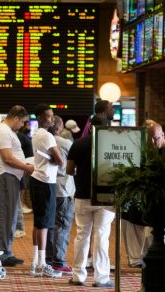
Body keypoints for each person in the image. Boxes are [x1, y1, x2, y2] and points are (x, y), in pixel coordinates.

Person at [67, 115, 115, 288]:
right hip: (105, 197)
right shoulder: (110, 145)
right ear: (106, 127)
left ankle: (78, 275)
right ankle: (101, 278)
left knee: (81, 235)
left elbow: (69, 170)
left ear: (90, 125)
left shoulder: (78, 144)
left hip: (82, 195)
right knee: (101, 235)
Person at [0, 105, 33, 266]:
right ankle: (0, 254)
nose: (22, 125)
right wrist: (27, 167)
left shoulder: (8, 131)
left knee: (10, 216)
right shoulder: (3, 131)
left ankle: (5, 251)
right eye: (22, 122)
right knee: (3, 215)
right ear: (15, 118)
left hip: (11, 177)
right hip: (4, 177)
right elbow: (7, 158)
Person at [121, 122, 163, 269]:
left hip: (157, 197)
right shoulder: (137, 150)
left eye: (156, 138)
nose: (153, 142)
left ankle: (148, 257)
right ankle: (135, 258)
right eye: (149, 138)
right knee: (132, 223)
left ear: (163, 136)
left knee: (151, 231)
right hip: (137, 196)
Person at [30, 103, 63, 278]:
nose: (52, 119)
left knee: (38, 222)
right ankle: (42, 265)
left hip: (36, 179)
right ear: (41, 117)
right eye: (49, 116)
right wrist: (56, 158)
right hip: (45, 181)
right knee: (44, 224)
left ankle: (36, 263)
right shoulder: (48, 136)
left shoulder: (36, 133)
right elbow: (61, 161)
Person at [46, 116, 75, 275]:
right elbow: (73, 167)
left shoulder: (42, 142)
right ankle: (59, 261)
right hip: (64, 189)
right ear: (59, 127)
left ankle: (49, 259)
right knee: (62, 226)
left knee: (49, 224)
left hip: (48, 186)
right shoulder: (66, 143)